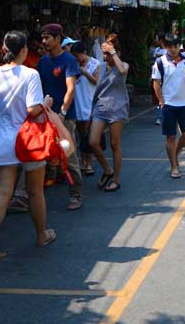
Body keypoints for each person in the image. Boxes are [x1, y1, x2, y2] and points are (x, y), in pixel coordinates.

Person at [0, 31, 57, 265]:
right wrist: (46, 103)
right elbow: (33, 109)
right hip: (28, 139)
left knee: (3, 192)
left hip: (3, 140)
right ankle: (42, 234)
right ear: (24, 50)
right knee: (35, 191)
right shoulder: (30, 74)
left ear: (4, 49)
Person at [35, 23, 84, 210]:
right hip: (43, 115)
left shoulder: (69, 60)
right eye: (43, 37)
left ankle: (76, 194)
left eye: (48, 38)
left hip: (65, 117)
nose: (44, 41)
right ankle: (24, 194)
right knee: (36, 152)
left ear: (58, 39)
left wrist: (62, 112)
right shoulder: (43, 62)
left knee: (68, 155)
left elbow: (70, 89)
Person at [90, 35, 129, 193]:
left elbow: (122, 71)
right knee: (93, 142)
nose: (105, 57)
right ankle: (107, 169)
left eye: (108, 53)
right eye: (104, 53)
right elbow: (97, 85)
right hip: (100, 106)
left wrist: (113, 53)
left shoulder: (123, 64)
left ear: (116, 52)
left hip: (117, 107)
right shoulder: (100, 67)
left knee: (115, 144)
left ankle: (116, 179)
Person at [152, 34, 185, 179]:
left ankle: (175, 154)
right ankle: (174, 166)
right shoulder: (160, 62)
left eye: (176, 46)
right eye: (170, 47)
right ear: (165, 47)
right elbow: (156, 83)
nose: (173, 49)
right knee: (171, 137)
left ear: (179, 46)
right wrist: (162, 101)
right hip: (169, 104)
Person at [70, 42, 102, 176]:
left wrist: (84, 72)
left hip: (89, 103)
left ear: (84, 52)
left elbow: (97, 82)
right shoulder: (73, 64)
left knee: (88, 135)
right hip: (76, 102)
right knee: (80, 134)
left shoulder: (96, 64)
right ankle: (82, 162)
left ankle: (89, 163)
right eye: (74, 56)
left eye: (78, 56)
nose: (76, 59)